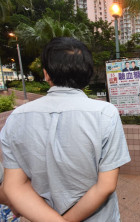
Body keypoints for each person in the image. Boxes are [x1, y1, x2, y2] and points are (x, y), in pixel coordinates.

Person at [0, 37, 131, 222]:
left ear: (46, 74)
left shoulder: (16, 118)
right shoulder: (105, 114)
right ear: (87, 75)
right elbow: (106, 186)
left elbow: (14, 186)